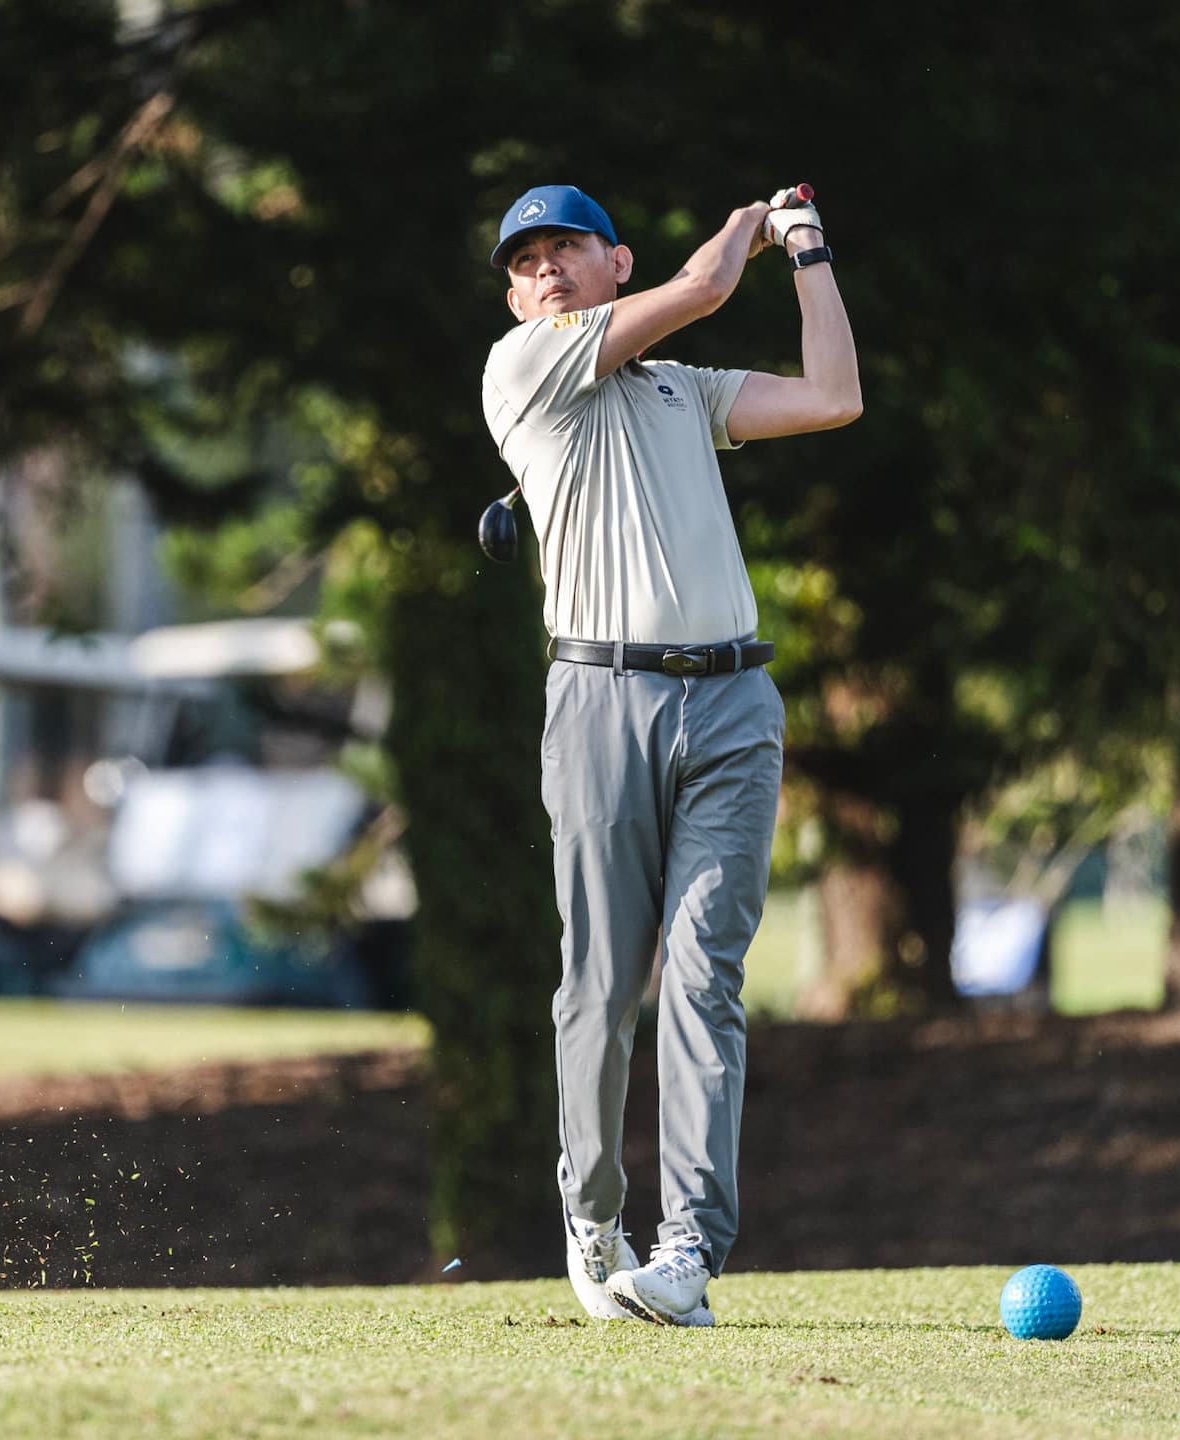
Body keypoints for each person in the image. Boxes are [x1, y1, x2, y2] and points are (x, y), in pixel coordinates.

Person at [480, 182, 861, 1325]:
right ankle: (593, 1216)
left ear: (613, 259)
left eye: (567, 249)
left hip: (735, 701)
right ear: (514, 294)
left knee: (707, 980)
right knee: (602, 983)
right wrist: (745, 229)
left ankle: (688, 1249)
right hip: (601, 698)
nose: (545, 270)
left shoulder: (681, 394)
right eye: (525, 261)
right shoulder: (524, 369)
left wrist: (810, 252)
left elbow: (836, 397)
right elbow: (696, 291)